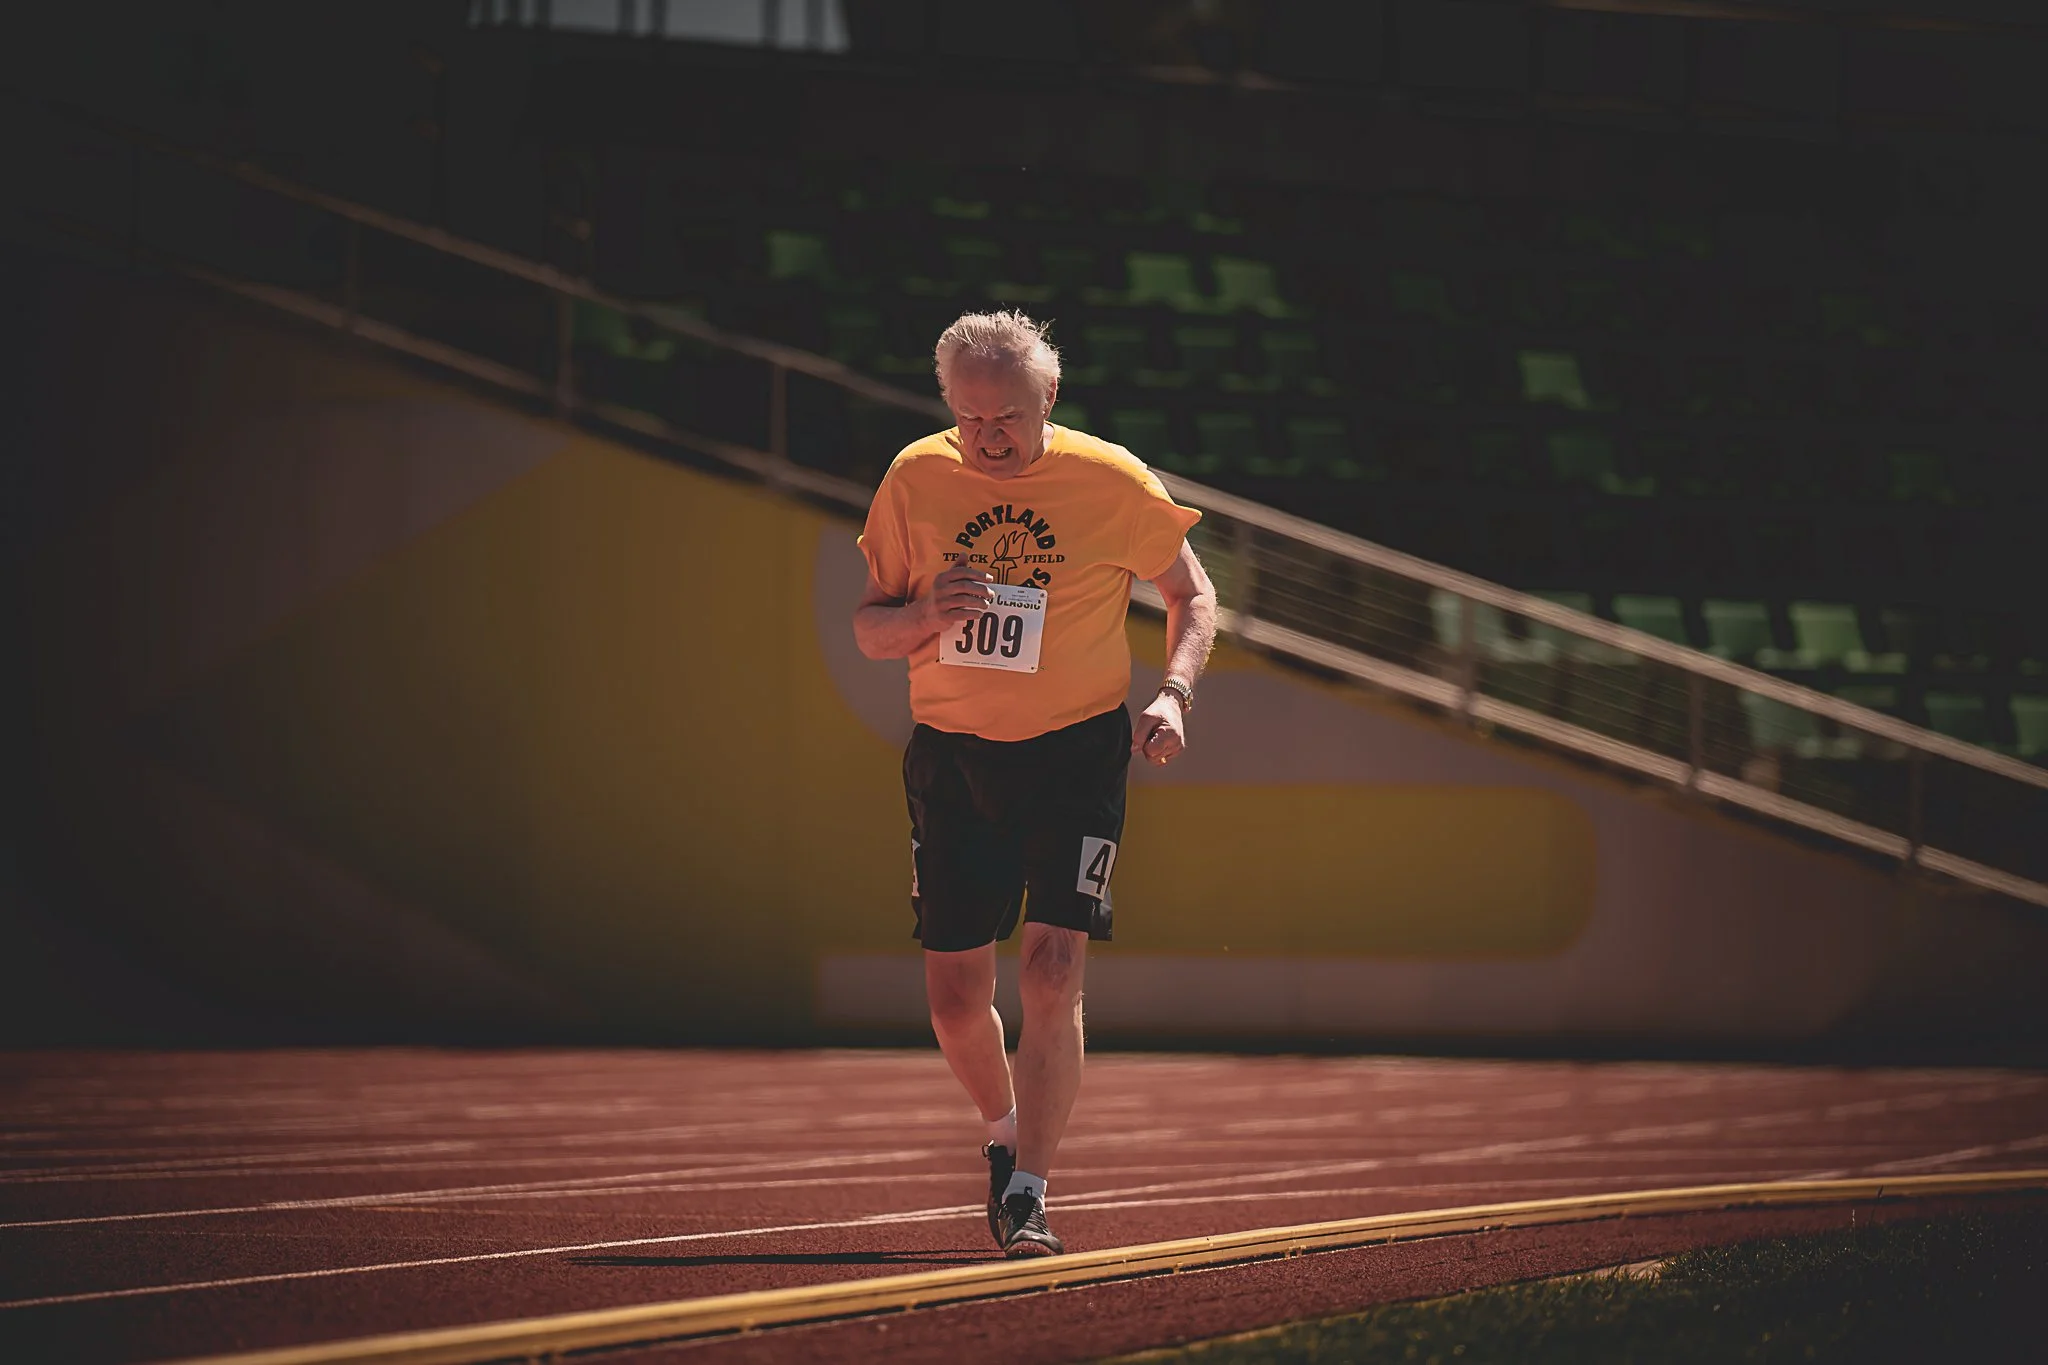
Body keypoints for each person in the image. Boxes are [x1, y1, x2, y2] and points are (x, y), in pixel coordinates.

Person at [852, 310, 1217, 1258]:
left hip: (1075, 752)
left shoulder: (1112, 479)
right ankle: (1005, 1127)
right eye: (969, 419)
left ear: (1048, 396)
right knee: (955, 999)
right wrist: (922, 616)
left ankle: (1029, 1193)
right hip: (953, 754)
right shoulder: (914, 477)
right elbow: (870, 626)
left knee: (1053, 968)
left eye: (1006, 418)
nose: (987, 438)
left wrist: (1174, 692)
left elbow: (1193, 593)